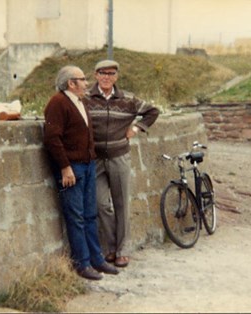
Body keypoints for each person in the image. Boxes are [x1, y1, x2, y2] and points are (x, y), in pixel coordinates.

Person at [43, 65, 119, 280]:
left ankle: (96, 259)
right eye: (82, 79)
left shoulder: (80, 102)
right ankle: (82, 263)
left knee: (90, 214)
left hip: (87, 165)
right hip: (72, 168)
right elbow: (52, 138)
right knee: (76, 216)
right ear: (71, 83)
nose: (87, 83)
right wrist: (65, 167)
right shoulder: (57, 103)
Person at [83, 60, 159, 268]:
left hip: (119, 157)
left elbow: (153, 111)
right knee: (100, 204)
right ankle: (109, 248)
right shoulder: (86, 98)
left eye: (111, 73)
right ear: (95, 75)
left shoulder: (128, 99)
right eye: (102, 73)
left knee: (122, 203)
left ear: (116, 76)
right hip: (95, 158)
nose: (106, 77)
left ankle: (123, 251)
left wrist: (136, 129)